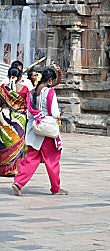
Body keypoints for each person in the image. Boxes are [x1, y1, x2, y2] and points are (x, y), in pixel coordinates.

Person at [12, 68, 68, 196]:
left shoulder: (32, 92)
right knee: (52, 159)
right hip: (47, 130)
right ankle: (56, 187)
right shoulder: (49, 92)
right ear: (49, 80)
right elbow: (53, 113)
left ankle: (18, 183)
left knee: (32, 158)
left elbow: (30, 111)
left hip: (34, 128)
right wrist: (60, 112)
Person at [0, 67, 30, 176]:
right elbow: (28, 105)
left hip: (4, 117)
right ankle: (15, 168)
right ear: (20, 76)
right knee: (17, 143)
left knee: (5, 143)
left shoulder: (3, 89)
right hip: (19, 119)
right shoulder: (25, 89)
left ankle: (3, 169)